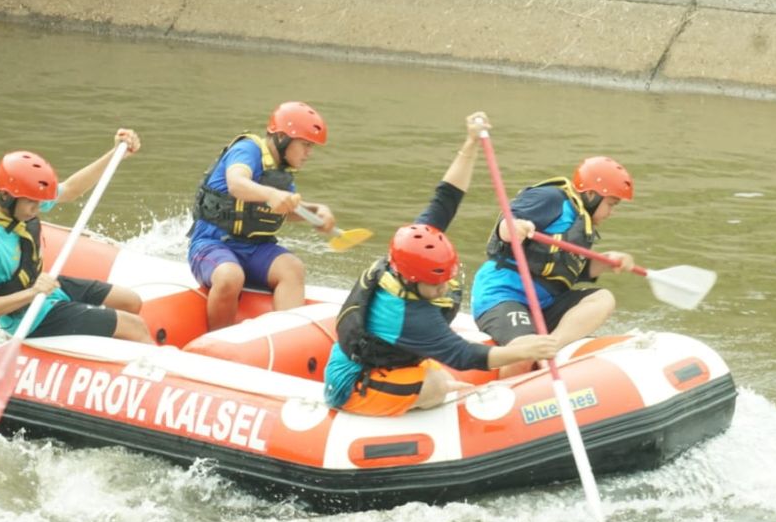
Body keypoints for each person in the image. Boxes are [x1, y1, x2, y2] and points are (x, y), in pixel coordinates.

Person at [324, 112, 559, 416]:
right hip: (349, 385)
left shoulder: (411, 248)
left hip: (382, 360)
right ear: (409, 280)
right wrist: (525, 350)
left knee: (442, 380)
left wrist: (471, 142)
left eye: (445, 279)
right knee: (437, 388)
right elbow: (462, 355)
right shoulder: (407, 315)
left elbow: (446, 197)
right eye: (434, 284)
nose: (443, 287)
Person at [0, 129, 153, 343]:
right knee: (135, 326)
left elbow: (70, 189)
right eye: (32, 202)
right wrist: (33, 293)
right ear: (6, 197)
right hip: (27, 316)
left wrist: (114, 154)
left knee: (131, 302)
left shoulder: (20, 203)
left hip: (43, 288)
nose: (38, 208)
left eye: (39, 202)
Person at [470, 155, 636, 377]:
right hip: (503, 296)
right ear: (591, 195)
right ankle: (502, 393)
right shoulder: (551, 198)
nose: (611, 213)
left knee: (603, 298)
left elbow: (576, 272)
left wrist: (608, 262)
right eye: (611, 205)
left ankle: (551, 347)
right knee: (524, 353)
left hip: (545, 303)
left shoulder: (581, 222)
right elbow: (506, 225)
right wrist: (514, 227)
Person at [187, 101, 337, 330]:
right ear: (283, 138)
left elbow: (286, 209)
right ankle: (217, 342)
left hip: (256, 247)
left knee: (293, 268)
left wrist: (315, 213)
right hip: (212, 242)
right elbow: (236, 183)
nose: (309, 153)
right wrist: (271, 194)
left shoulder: (281, 172)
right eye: (305, 144)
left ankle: (286, 340)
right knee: (230, 276)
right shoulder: (247, 150)